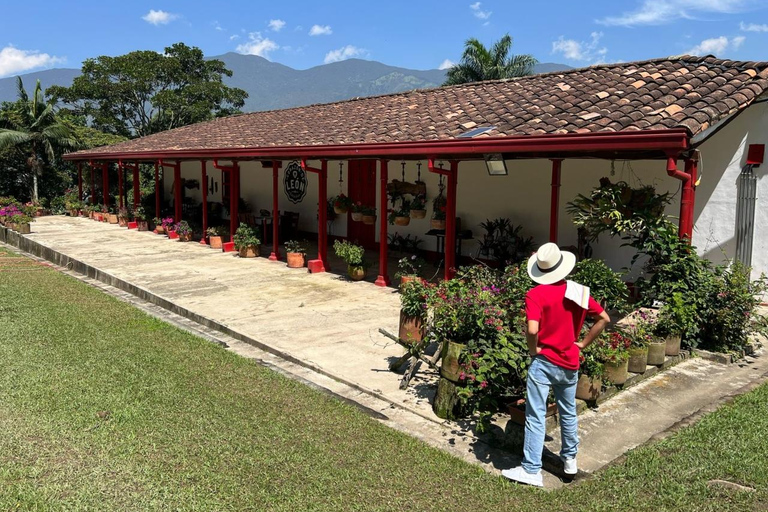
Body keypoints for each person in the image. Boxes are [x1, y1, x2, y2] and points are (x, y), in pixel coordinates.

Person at [502, 243, 610, 487]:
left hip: (544, 361)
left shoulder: (535, 295)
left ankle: (531, 470)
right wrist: (583, 343)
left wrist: (533, 349)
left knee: (536, 415)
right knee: (568, 411)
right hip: (570, 360)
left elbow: (532, 329)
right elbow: (604, 318)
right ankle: (570, 460)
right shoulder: (579, 292)